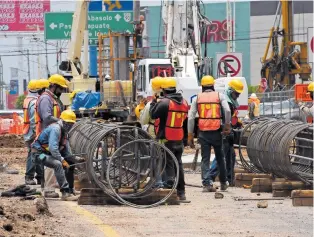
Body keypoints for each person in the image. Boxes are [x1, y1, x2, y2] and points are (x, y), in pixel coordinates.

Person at [187, 75, 231, 192]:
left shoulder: (197, 98)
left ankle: (207, 184)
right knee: (220, 157)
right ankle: (223, 182)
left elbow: (191, 117)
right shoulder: (219, 96)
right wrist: (227, 125)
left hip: (203, 132)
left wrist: (190, 134)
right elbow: (227, 110)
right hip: (217, 131)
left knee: (205, 158)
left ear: (202, 86)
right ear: (213, 86)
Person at [150, 78, 189, 200]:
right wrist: (186, 139)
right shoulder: (184, 102)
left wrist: (153, 102)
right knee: (179, 165)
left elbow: (152, 114)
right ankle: (181, 192)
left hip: (167, 138)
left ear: (164, 90)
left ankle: (171, 192)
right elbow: (186, 122)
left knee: (169, 165)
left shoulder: (165, 102)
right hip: (179, 138)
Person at [31, 110, 78, 201]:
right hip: (38, 154)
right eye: (68, 123)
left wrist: (76, 159)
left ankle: (70, 190)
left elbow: (66, 152)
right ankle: (65, 192)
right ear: (62, 121)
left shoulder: (64, 132)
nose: (69, 126)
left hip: (45, 153)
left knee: (70, 163)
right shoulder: (56, 129)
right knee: (57, 164)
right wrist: (62, 160)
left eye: (71, 124)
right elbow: (53, 149)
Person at [208, 79, 244, 186]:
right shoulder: (226, 103)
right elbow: (225, 118)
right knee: (221, 155)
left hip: (228, 132)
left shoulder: (229, 102)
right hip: (224, 133)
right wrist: (228, 127)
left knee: (231, 155)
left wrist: (236, 122)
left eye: (238, 94)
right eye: (236, 93)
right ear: (230, 91)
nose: (237, 96)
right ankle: (210, 176)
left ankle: (229, 178)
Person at [23, 80, 44, 185]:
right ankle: (29, 177)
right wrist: (37, 134)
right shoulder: (34, 102)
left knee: (38, 154)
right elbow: (33, 120)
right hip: (32, 133)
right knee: (33, 154)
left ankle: (40, 177)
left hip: (30, 132)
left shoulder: (28, 99)